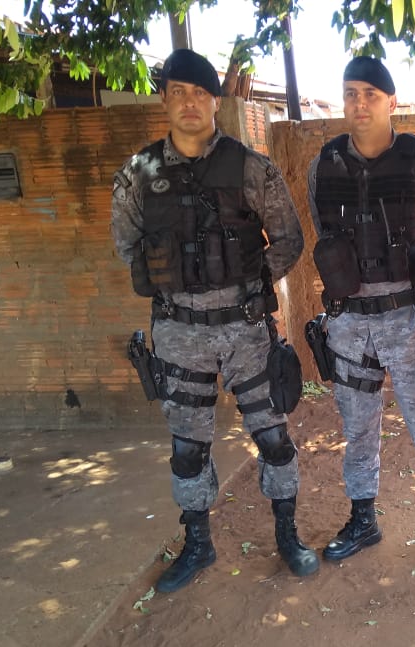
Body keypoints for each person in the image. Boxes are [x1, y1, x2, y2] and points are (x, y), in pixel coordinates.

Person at [111, 49, 317, 592]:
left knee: (273, 437)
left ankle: (288, 536)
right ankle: (198, 545)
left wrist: (248, 281)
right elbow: (127, 246)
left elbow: (289, 239)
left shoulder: (250, 167)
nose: (189, 103)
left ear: (215, 102)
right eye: (178, 92)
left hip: (245, 330)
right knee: (187, 448)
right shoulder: (138, 174)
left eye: (199, 93)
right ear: (164, 99)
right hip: (178, 333)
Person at [305, 56, 415, 572]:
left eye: (370, 94)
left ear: (392, 102)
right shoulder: (323, 166)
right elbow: (324, 234)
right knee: (358, 430)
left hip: (410, 320)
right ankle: (363, 519)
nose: (359, 103)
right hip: (349, 324)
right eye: (350, 93)